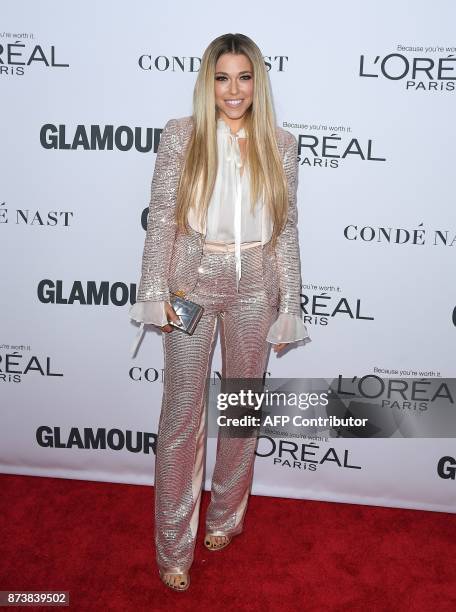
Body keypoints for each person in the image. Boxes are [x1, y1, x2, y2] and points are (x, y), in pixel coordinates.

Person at [129, 33, 311, 592]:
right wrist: (153, 289)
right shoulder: (181, 136)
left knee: (238, 411)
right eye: (222, 77)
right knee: (182, 417)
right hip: (190, 287)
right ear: (208, 81)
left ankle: (226, 518)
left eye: (244, 77)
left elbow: (285, 230)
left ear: (259, 80)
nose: (233, 90)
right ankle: (172, 549)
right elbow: (162, 218)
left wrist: (292, 305)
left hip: (256, 289)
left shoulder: (281, 143)